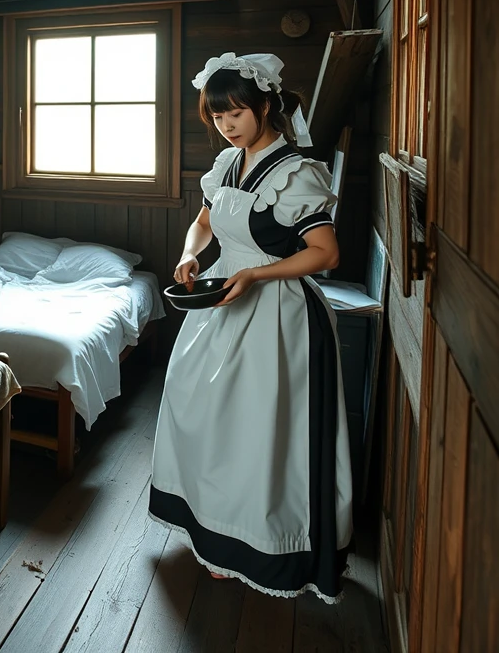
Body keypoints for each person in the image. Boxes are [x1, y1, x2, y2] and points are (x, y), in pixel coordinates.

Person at [149, 52, 352, 603]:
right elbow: (204, 221)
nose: (227, 124)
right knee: (203, 415)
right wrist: (191, 256)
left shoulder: (297, 172)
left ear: (266, 105)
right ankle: (209, 529)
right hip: (220, 301)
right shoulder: (226, 166)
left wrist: (258, 272)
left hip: (276, 312)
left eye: (236, 112)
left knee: (257, 431)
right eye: (217, 117)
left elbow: (325, 253)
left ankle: (262, 543)